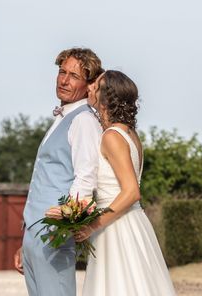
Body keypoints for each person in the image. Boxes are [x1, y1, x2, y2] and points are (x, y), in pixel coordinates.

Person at [75, 70, 176, 296]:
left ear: (105, 99)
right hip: (132, 222)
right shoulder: (130, 134)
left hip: (116, 227)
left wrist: (93, 225)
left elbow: (131, 192)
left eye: (96, 86)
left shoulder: (111, 136)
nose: (90, 88)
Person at [14, 48, 104, 296]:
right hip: (35, 234)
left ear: (88, 85)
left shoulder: (84, 120)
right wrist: (27, 240)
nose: (64, 80)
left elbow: (86, 176)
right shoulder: (63, 117)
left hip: (55, 233)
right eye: (62, 72)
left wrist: (63, 228)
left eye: (74, 75)